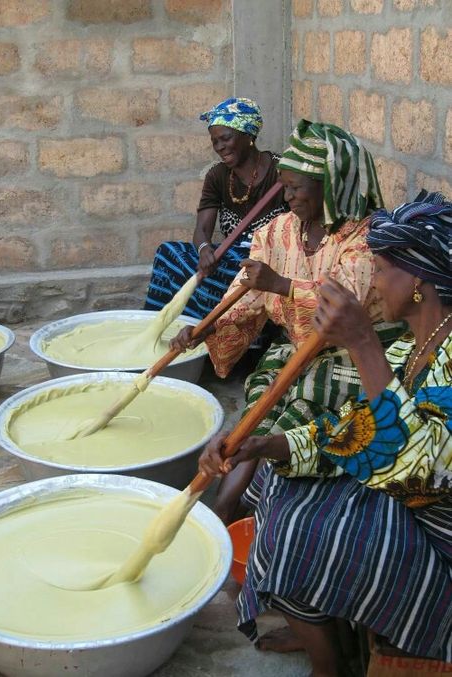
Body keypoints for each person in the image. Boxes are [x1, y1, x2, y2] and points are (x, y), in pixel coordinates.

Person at [199, 191, 452, 675]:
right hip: (403, 488)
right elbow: (354, 428)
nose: (373, 284)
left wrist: (361, 343)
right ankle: (323, 630)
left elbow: (420, 479)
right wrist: (265, 444)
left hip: (437, 522)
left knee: (301, 530)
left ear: (418, 279)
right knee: (270, 480)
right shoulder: (414, 346)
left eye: (381, 271)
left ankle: (330, 662)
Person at [172, 119, 400, 528]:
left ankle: (229, 505)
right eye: (284, 186)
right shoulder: (277, 232)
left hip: (357, 358)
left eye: (297, 188)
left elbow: (344, 305)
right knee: (262, 401)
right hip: (298, 348)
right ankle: (230, 501)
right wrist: (211, 325)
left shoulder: (365, 237)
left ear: (330, 185)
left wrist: (281, 284)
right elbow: (247, 292)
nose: (288, 196)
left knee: (291, 406)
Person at [143, 96, 287, 319]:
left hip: (268, 261)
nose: (219, 147)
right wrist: (204, 250)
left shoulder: (282, 171)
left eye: (225, 138)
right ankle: (159, 324)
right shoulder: (217, 175)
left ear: (248, 134)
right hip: (229, 256)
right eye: (215, 141)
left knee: (226, 273)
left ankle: (213, 334)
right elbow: (202, 230)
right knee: (168, 253)